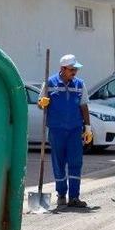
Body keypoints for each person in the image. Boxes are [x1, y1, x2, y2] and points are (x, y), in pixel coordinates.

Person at [38, 54, 93, 208]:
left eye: (76, 69)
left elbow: (84, 106)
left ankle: (74, 197)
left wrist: (87, 127)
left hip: (75, 130)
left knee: (76, 162)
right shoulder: (49, 83)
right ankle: (61, 193)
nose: (74, 72)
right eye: (72, 69)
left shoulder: (79, 84)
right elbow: (40, 104)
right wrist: (42, 102)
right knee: (59, 162)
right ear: (63, 69)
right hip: (56, 130)